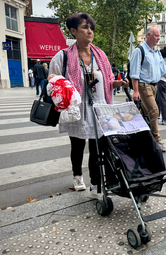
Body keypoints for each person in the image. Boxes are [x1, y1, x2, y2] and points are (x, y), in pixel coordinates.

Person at [48, 13, 128, 196]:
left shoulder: (100, 55)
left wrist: (118, 83)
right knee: (77, 146)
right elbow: (53, 81)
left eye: (91, 27)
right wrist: (54, 80)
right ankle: (77, 175)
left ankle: (95, 183)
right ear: (74, 31)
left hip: (99, 108)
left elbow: (107, 80)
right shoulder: (64, 56)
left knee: (97, 148)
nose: (89, 31)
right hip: (78, 109)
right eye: (85, 27)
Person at [129, 27, 166, 152]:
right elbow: (134, 73)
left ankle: (135, 135)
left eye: (159, 36)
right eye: (156, 35)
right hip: (143, 86)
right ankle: (157, 141)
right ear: (148, 35)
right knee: (154, 111)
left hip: (154, 86)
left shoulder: (156, 53)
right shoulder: (139, 51)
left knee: (144, 114)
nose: (158, 38)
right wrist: (135, 91)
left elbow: (164, 71)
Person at [156, 47, 166, 126]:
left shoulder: (161, 62)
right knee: (159, 99)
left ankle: (165, 120)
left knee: (162, 101)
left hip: (162, 81)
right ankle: (159, 117)